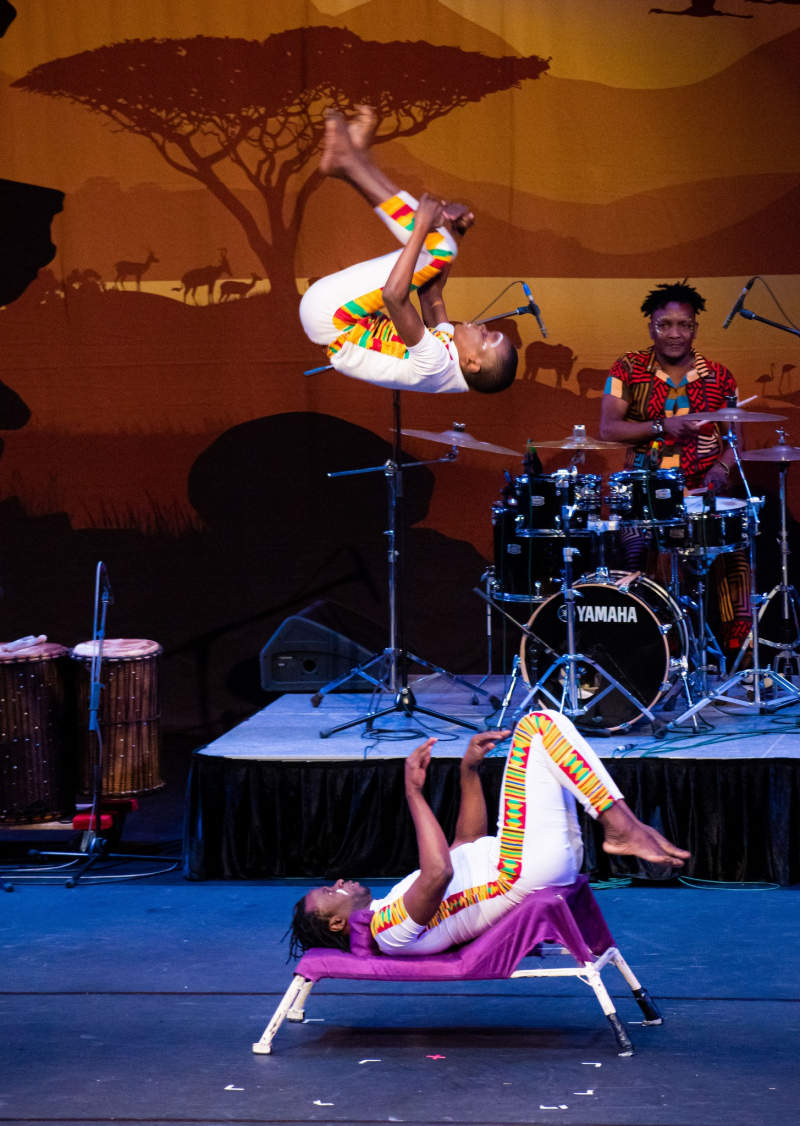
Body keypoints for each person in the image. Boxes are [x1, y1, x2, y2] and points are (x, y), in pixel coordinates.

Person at [289, 713, 689, 958]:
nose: (337, 882)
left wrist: (469, 770)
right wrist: (412, 792)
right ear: (337, 924)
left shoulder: (392, 905)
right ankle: (622, 827)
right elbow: (439, 873)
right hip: (518, 871)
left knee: (551, 728)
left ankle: (623, 825)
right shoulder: (387, 930)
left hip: (531, 861)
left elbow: (465, 846)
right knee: (537, 727)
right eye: (328, 892)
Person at [299, 107, 518, 394]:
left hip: (330, 318)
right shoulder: (453, 360)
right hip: (339, 320)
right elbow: (431, 295)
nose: (481, 327)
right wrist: (458, 232)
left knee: (438, 249)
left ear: (472, 363)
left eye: (486, 337)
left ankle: (351, 164)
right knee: (443, 247)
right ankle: (354, 165)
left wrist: (421, 228)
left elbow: (393, 296)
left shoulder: (437, 365)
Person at [599, 281, 750, 654]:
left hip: (702, 496)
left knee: (735, 552)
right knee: (635, 552)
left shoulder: (720, 377)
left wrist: (721, 470)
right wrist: (661, 425)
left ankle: (739, 654)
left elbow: (736, 443)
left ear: (695, 328)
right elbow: (608, 428)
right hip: (643, 496)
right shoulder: (627, 368)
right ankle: (650, 652)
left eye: (684, 325)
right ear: (651, 327)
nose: (674, 333)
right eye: (664, 325)